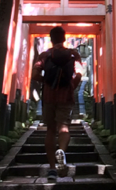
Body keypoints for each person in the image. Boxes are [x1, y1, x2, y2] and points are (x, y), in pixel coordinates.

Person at [32, 26, 82, 179]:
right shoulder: (73, 54)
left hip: (48, 96)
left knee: (50, 130)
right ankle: (61, 150)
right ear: (64, 38)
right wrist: (70, 85)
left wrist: (47, 82)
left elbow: (35, 74)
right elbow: (79, 73)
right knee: (64, 127)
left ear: (51, 39)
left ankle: (52, 168)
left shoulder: (45, 55)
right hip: (65, 96)